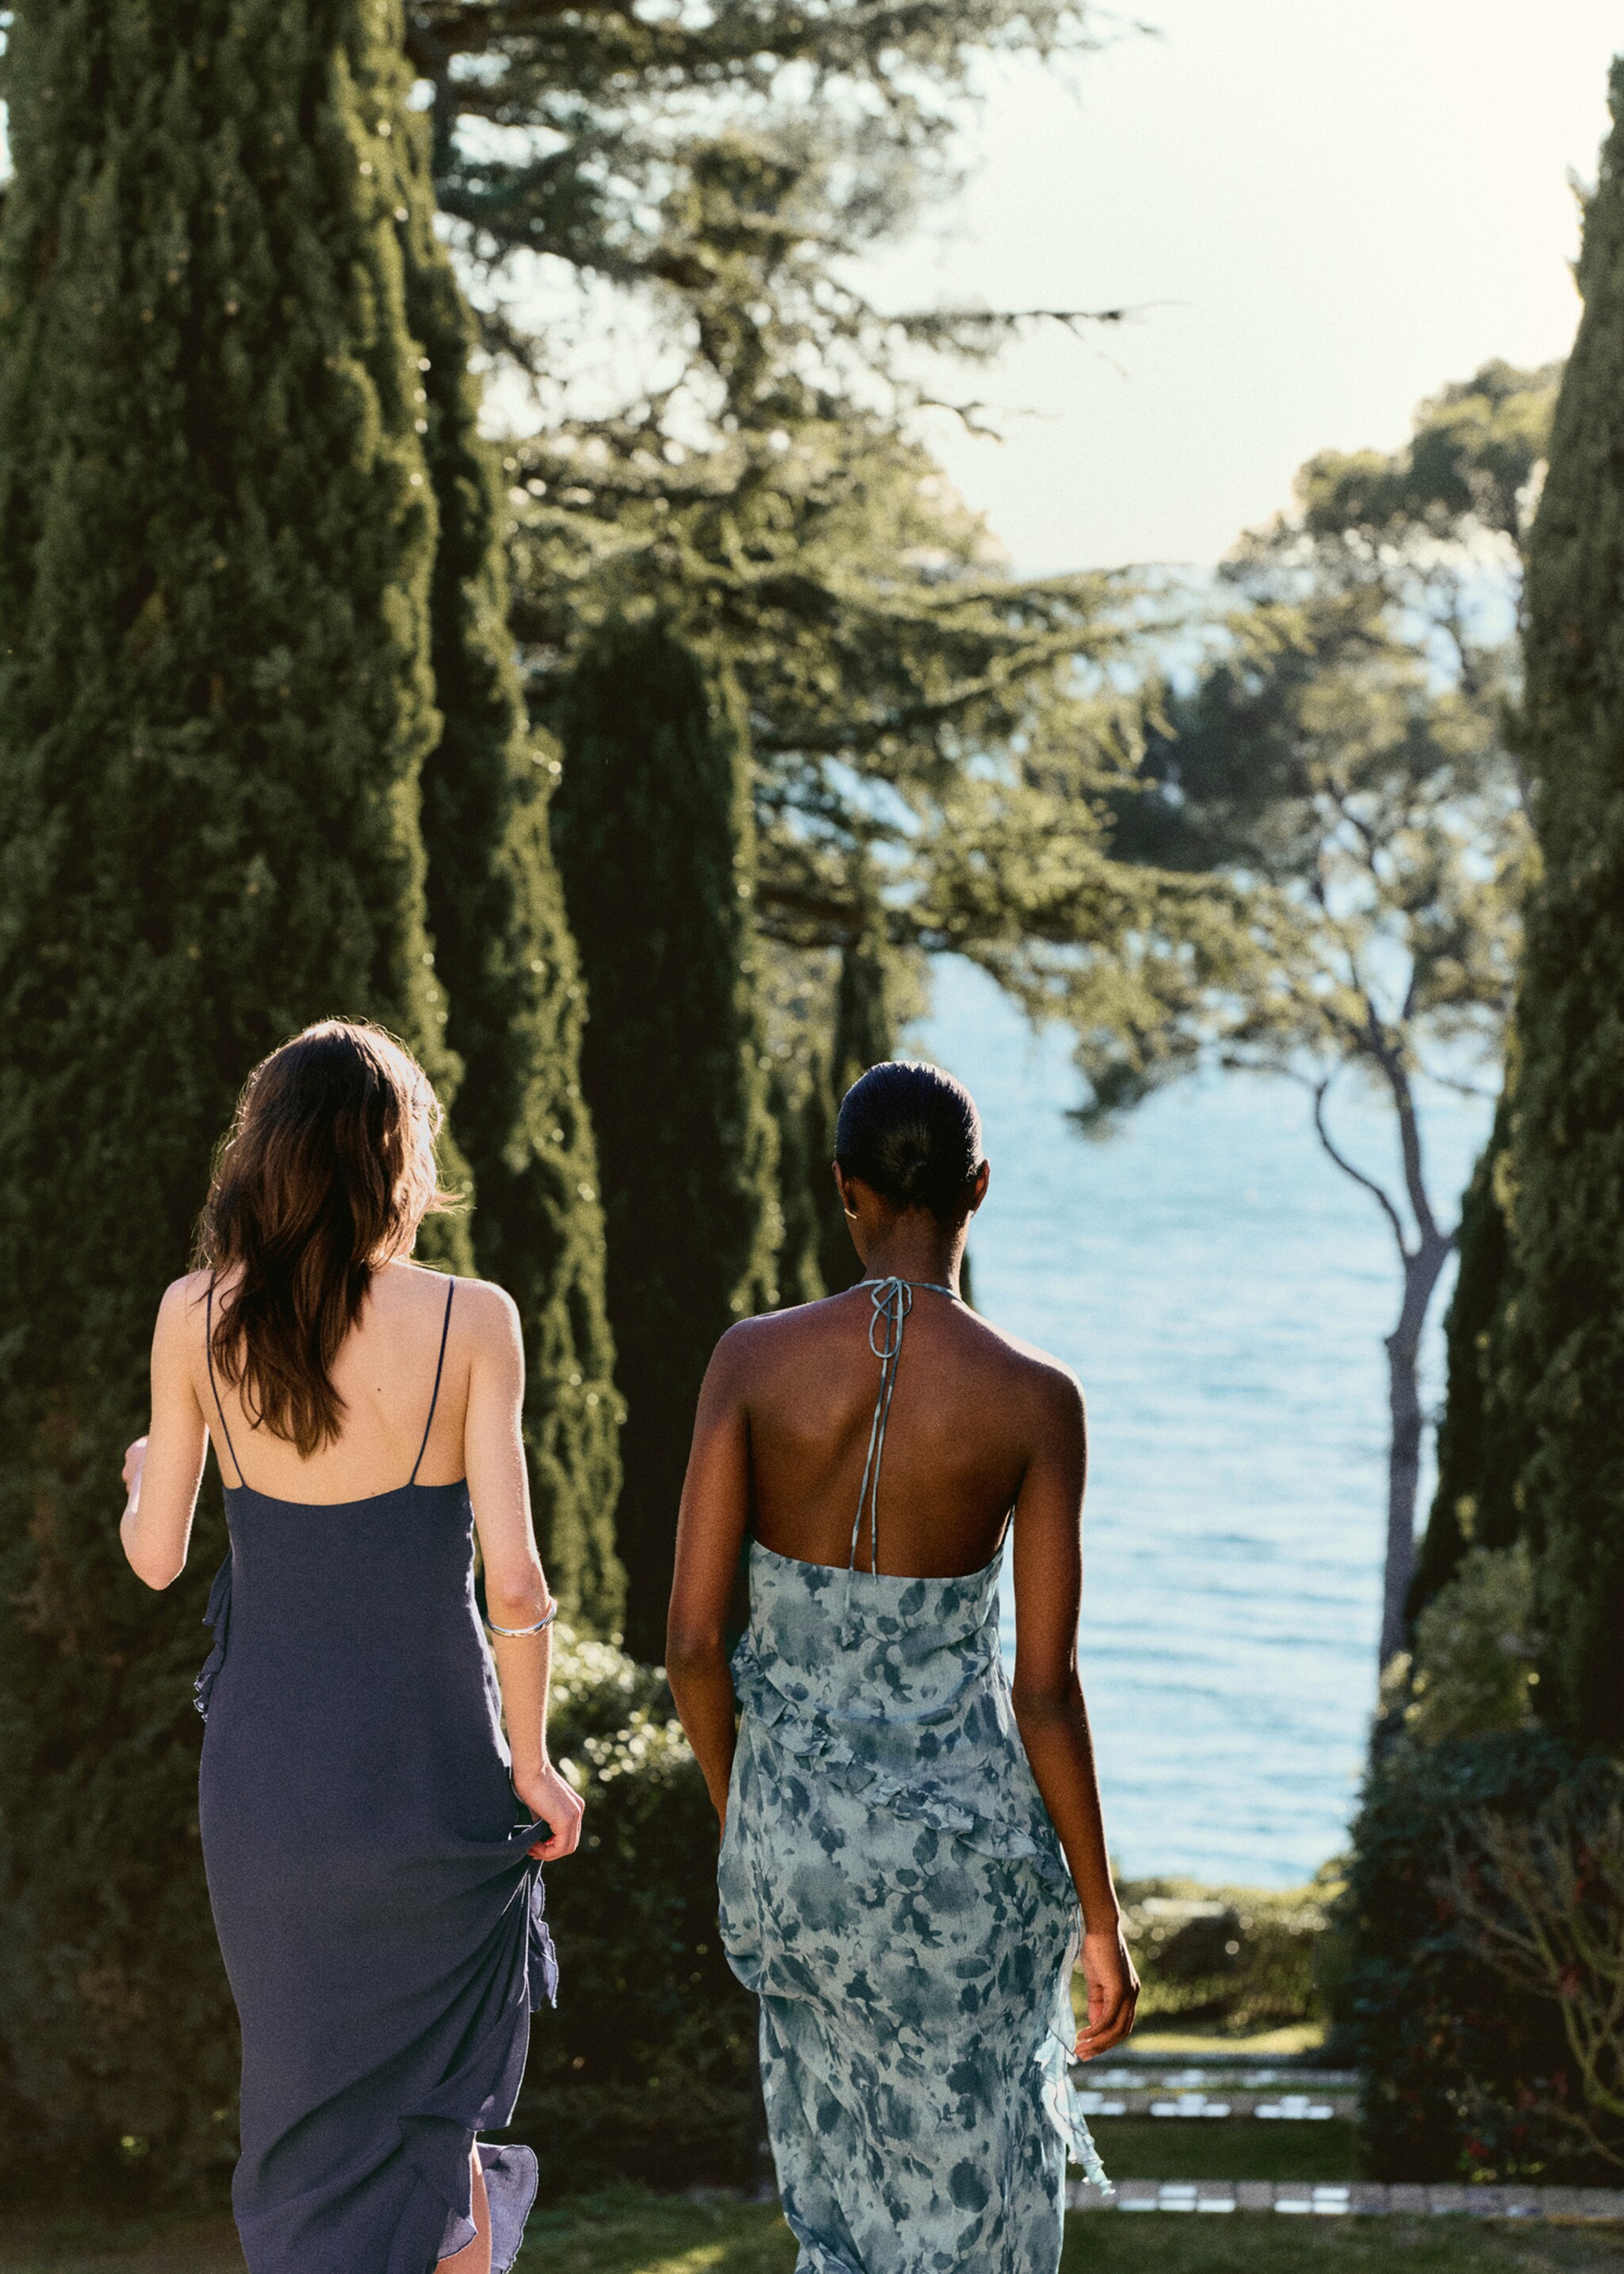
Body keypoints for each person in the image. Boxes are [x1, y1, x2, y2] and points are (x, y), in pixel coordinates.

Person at [118, 1020, 580, 2274]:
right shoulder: (474, 1319)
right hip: (436, 1778)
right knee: (440, 2119)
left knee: (307, 2104)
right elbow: (518, 1582)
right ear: (399, 1159)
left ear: (264, 1155)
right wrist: (534, 1763)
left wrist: (146, 1475)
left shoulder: (194, 1318)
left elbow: (156, 1558)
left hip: (273, 1797)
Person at [666, 1058, 1136, 2273]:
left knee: (840, 2209)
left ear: (844, 1189)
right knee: (979, 2215)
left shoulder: (750, 1364)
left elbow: (692, 1645)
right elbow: (1042, 1687)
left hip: (793, 1861)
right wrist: (1100, 1912)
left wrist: (751, 1814)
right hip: (963, 1879)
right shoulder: (1037, 1401)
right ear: (979, 1187)